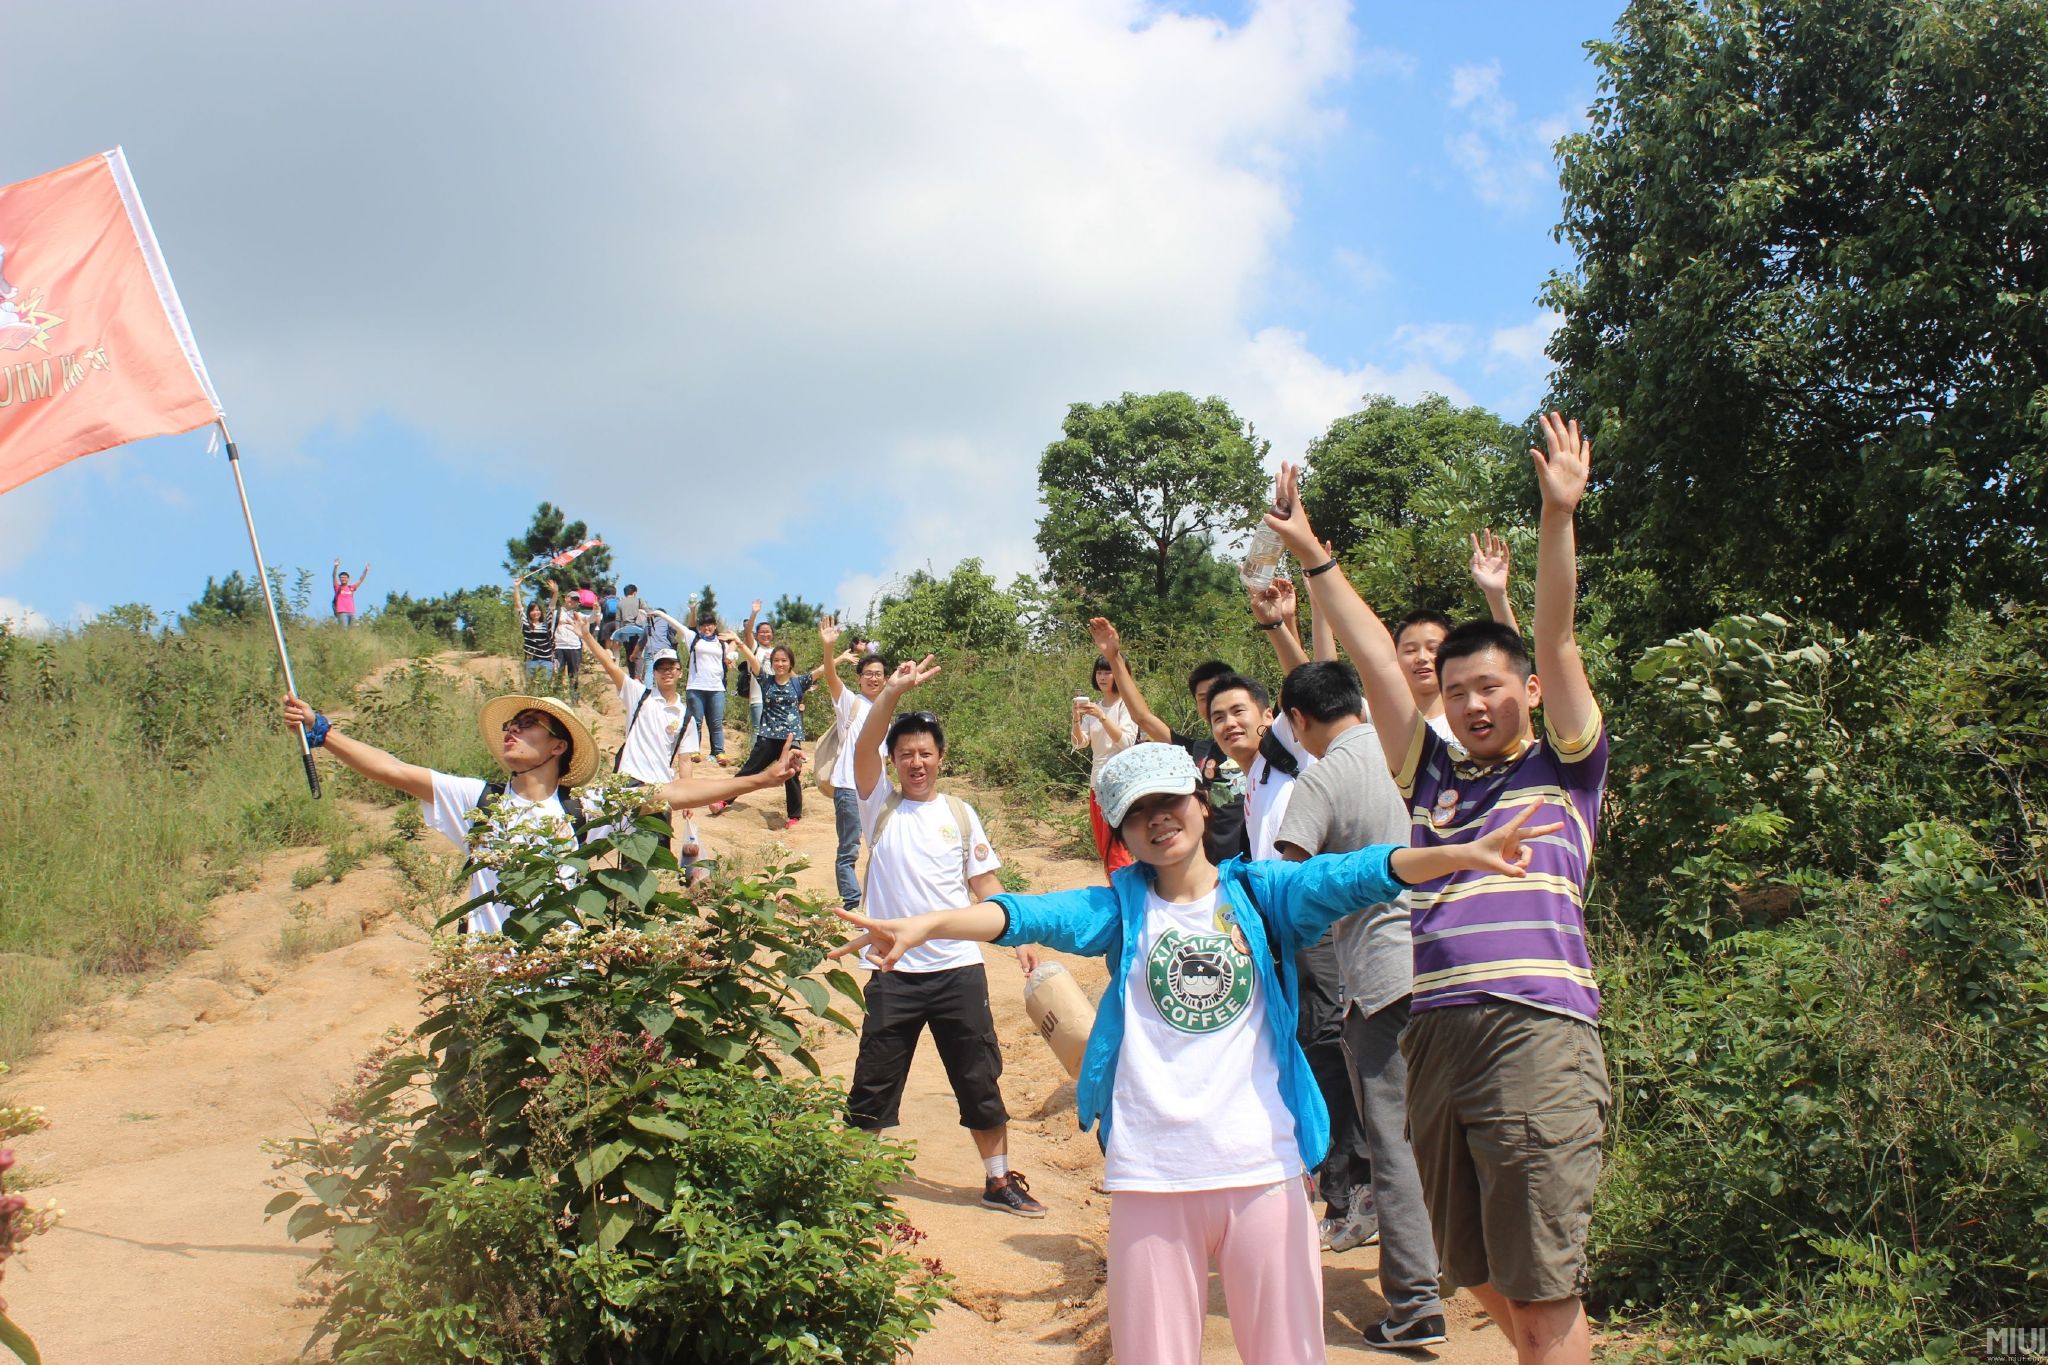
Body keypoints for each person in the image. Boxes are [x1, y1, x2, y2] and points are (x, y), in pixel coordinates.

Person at [832, 742, 1557, 1365]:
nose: (1158, 818)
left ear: (1202, 802)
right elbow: (1024, 912)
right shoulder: (1119, 908)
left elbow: (1353, 873)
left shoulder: (1262, 894)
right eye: (1138, 810)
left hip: (1263, 1170)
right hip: (1151, 1176)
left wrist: (1457, 854)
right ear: (1123, 830)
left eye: (1170, 799)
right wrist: (928, 922)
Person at [1265, 414, 1610, 1365]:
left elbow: (1558, 634)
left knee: (1541, 1292)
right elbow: (1378, 661)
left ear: (1529, 692)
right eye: (1457, 690)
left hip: (1531, 1025)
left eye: (1493, 686)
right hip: (1433, 1030)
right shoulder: (1434, 778)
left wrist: (1557, 516)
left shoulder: (1565, 770)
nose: (1472, 701)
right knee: (1473, 1269)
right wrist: (1316, 557)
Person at [277, 692, 803, 935]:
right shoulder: (476, 801)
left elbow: (668, 794)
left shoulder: (585, 808)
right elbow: (393, 770)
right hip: (488, 972)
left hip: (560, 975)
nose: (512, 729)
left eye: (527, 724)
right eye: (511, 724)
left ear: (557, 748)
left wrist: (761, 779)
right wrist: (325, 733)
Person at [832, 654, 1046, 1219]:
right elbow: (862, 746)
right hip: (893, 969)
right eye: (906, 754)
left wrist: (1020, 932)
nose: (916, 761)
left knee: (979, 1075)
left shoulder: (960, 811)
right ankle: (851, 1184)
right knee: (873, 1080)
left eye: (926, 752)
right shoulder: (880, 801)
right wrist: (892, 695)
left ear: (941, 758)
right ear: (894, 761)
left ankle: (998, 1181)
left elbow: (985, 882)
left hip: (957, 967)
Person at [1276, 660, 1446, 1351]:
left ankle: (1413, 1300)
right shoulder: (1410, 745)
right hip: (1453, 962)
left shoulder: (1320, 777)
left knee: (1393, 1140)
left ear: (1298, 721)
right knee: (1447, 1130)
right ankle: (1465, 1268)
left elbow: (1286, 888)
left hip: (1382, 979)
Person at [1085, 617, 1247, 864]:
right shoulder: (1198, 752)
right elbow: (1143, 718)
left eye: (1219, 694)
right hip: (1217, 873)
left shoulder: (1266, 746)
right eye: (1204, 697)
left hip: (1260, 870)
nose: (1214, 703)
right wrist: (1114, 657)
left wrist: (1281, 623)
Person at [816, 614, 887, 910]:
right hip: (848, 786)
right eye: (868, 673)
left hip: (879, 790)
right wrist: (829, 649)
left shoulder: (886, 712)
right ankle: (851, 902)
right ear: (859, 678)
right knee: (849, 849)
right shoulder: (851, 703)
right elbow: (831, 678)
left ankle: (879, 899)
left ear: (885, 679)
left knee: (883, 845)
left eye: (879, 673)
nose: (873, 677)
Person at [720, 626, 815, 828]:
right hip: (768, 736)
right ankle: (724, 799)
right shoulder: (766, 681)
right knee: (749, 770)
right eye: (776, 660)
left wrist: (839, 657)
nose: (780, 664)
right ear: (772, 663)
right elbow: (752, 660)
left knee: (792, 776)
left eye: (784, 660)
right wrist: (738, 641)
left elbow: (823, 671)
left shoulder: (798, 682)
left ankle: (794, 816)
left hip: (791, 738)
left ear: (790, 663)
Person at [1072, 654, 1139, 875]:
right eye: (1099, 672)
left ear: (1119, 674)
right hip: (1097, 782)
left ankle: (1127, 895)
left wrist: (1102, 717)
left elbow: (1127, 742)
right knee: (1104, 846)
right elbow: (1080, 743)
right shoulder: (1095, 707)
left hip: (1118, 784)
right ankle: (1118, 892)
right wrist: (1076, 718)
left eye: (1107, 672)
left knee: (1117, 847)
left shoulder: (1125, 706)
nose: (1102, 677)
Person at [683, 613, 732, 765]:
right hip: (696, 686)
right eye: (703, 625)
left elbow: (734, 645)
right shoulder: (694, 640)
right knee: (696, 722)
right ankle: (694, 750)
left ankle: (719, 752)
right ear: (699, 627)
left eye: (710, 624)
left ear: (715, 626)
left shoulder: (722, 643)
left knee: (716, 722)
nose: (707, 627)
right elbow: (680, 627)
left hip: (716, 687)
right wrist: (692, 608)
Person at [736, 600, 776, 732]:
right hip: (758, 698)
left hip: (775, 698)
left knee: (774, 732)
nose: (765, 634)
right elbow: (747, 634)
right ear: (757, 635)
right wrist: (754, 613)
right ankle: (754, 754)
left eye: (768, 632)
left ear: (773, 634)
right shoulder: (754, 648)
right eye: (762, 632)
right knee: (758, 731)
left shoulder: (776, 652)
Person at [545, 581, 588, 692]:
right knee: (557, 673)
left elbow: (590, 619)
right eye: (572, 598)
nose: (573, 602)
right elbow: (550, 608)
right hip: (559, 646)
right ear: (566, 598)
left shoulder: (577, 615)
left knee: (574, 674)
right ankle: (557, 698)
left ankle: (574, 698)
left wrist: (597, 612)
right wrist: (555, 593)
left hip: (574, 647)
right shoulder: (557, 613)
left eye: (576, 600)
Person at [611, 583, 646, 668]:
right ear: (634, 592)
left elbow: (618, 620)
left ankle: (631, 674)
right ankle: (638, 676)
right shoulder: (639, 601)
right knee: (638, 652)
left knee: (629, 653)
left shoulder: (620, 603)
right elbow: (646, 613)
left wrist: (617, 636)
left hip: (625, 631)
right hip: (638, 630)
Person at [332, 559, 370, 628]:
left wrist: (366, 571)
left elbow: (360, 580)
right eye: (341, 578)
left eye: (345, 577)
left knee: (351, 630)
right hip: (342, 612)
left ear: (348, 579)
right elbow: (334, 576)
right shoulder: (338, 587)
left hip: (351, 612)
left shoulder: (351, 588)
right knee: (343, 629)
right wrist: (335, 567)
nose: (343, 579)